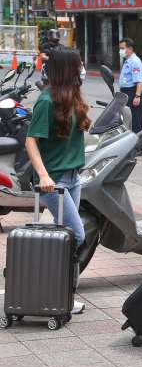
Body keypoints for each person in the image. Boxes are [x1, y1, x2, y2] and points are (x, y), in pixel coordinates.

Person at [25, 46, 91, 316]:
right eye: (80, 65)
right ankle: (54, 290)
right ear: (69, 69)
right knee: (76, 235)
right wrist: (43, 175)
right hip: (54, 181)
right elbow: (31, 141)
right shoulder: (46, 101)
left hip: (73, 177)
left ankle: (61, 294)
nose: (83, 69)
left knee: (64, 237)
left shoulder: (72, 96)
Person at [119, 37, 142, 134]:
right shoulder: (128, 61)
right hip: (126, 94)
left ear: (130, 49)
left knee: (135, 125)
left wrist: (137, 96)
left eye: (122, 48)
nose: (120, 51)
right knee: (127, 124)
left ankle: (138, 147)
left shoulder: (135, 61)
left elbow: (139, 81)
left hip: (133, 93)